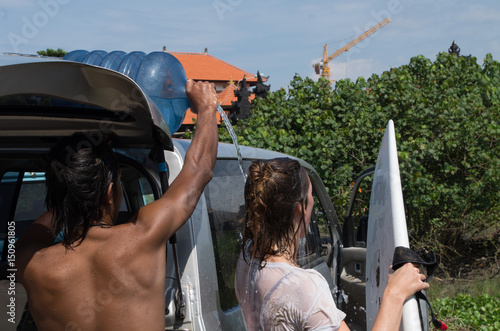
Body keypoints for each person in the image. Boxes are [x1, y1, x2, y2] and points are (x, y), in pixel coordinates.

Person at [15, 80, 218, 330]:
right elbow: (199, 170)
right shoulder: (144, 234)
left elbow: (32, 235)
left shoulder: (30, 263)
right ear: (111, 192)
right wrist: (207, 108)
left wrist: (70, 188)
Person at [235, 158, 430, 331]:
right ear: (300, 208)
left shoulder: (248, 256)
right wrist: (395, 293)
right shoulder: (305, 287)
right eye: (311, 196)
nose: (313, 201)